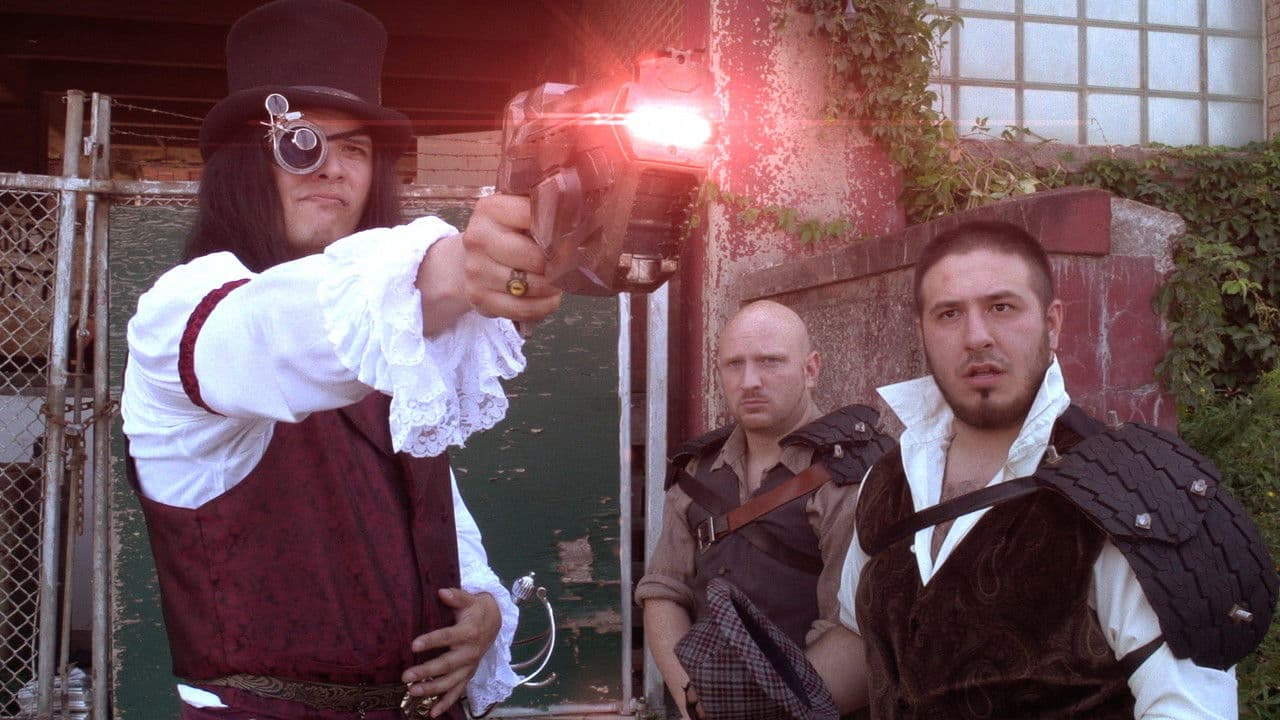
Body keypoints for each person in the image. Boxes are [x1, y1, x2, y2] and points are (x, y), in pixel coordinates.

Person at [120, 1, 560, 718]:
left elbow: (439, 515)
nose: (330, 169)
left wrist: (481, 606)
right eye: (299, 143)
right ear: (244, 162)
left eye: (354, 150)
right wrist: (454, 269)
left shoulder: (391, 344)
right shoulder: (184, 313)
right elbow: (276, 329)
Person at [815, 219, 1275, 718]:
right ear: (921, 333)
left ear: (1052, 323)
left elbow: (1187, 709)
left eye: (1001, 307)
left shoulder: (1126, 496)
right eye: (949, 314)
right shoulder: (885, 481)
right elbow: (862, 644)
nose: (976, 337)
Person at [635, 300, 892, 719]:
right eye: (734, 365)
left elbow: (855, 633)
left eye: (770, 362)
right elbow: (664, 591)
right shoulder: (697, 470)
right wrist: (693, 702)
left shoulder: (849, 475)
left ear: (811, 369)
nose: (749, 381)